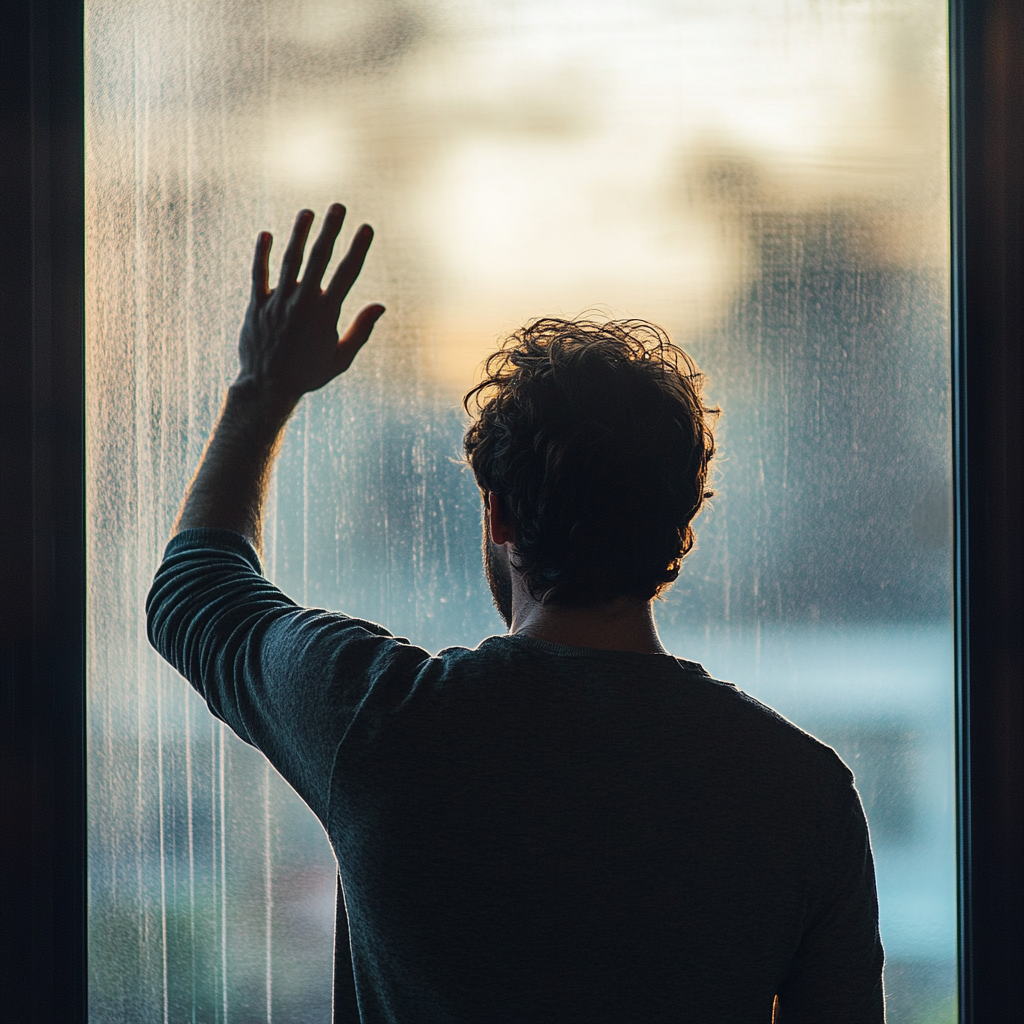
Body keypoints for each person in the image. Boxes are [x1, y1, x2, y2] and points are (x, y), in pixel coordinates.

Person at [147, 204, 885, 1023]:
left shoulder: (378, 719)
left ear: (497, 514)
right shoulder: (803, 793)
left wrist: (262, 390)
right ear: (683, 524)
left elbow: (194, 591)